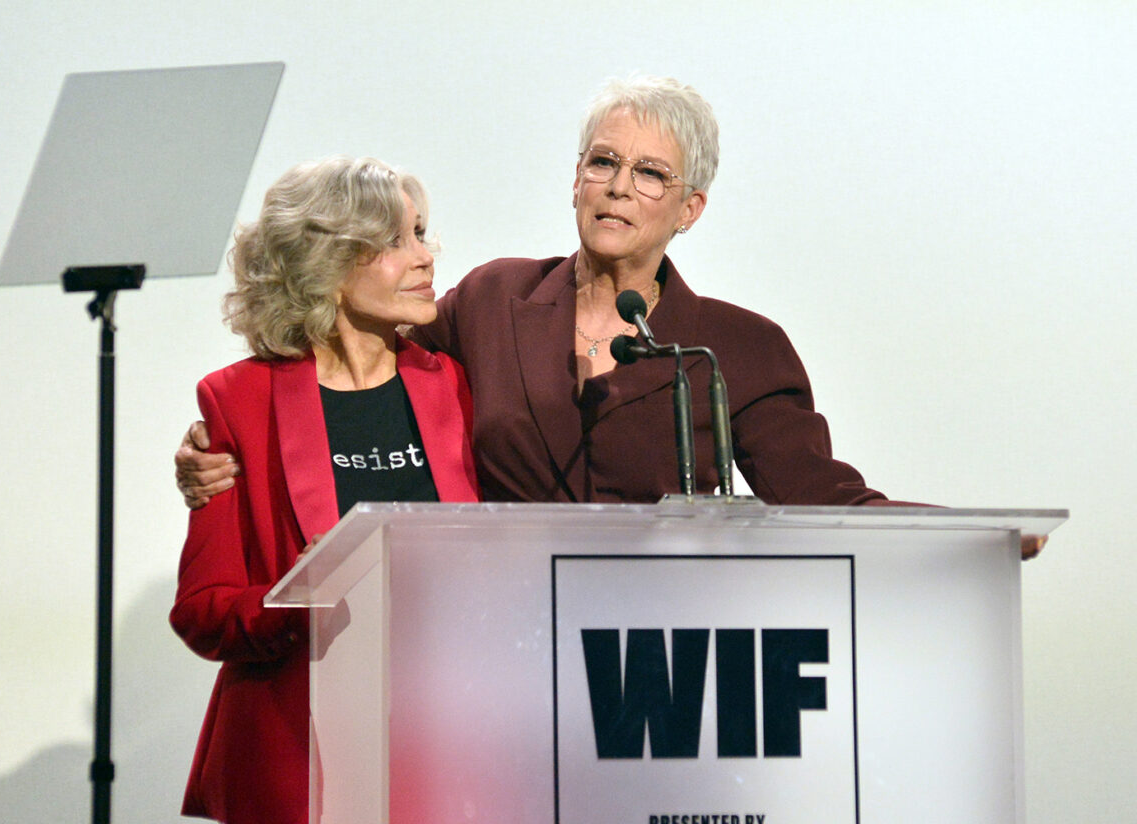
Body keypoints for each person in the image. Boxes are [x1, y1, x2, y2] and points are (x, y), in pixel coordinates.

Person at [173, 76, 1045, 555]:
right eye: (602, 162)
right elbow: (346, 353)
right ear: (576, 176)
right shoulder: (492, 299)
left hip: (656, 656)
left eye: (651, 174)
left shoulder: (735, 347)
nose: (620, 187)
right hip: (498, 648)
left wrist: (962, 538)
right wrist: (218, 449)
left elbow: (824, 498)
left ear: (690, 208)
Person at [169, 156, 479, 824]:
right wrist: (302, 595)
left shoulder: (450, 382)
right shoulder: (236, 400)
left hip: (439, 746)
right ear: (328, 266)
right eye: (396, 241)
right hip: (294, 756)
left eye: (422, 233)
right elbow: (201, 608)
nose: (426, 257)